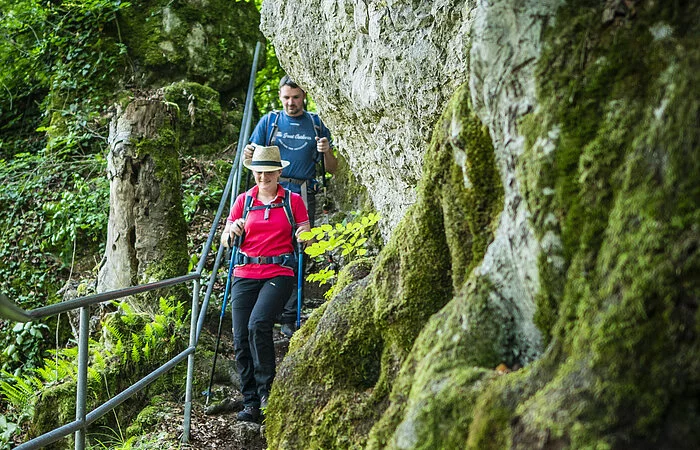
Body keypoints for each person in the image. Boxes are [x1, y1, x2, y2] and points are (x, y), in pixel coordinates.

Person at [220, 145, 310, 422]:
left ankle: (267, 393)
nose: (262, 177)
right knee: (240, 338)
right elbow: (225, 238)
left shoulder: (292, 201)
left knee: (258, 324)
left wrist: (304, 234)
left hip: (279, 272)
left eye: (268, 172)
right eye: (258, 172)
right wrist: (231, 231)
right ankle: (250, 402)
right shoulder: (244, 201)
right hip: (244, 273)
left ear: (279, 172)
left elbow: (306, 230)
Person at [244, 75, 337, 336]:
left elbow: (332, 169)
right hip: (270, 191)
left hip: (303, 192)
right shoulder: (270, 122)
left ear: (304, 96)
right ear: (280, 96)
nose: (291, 103)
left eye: (296, 97)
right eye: (286, 97)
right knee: (266, 245)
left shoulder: (317, 124)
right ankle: (265, 309)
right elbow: (250, 161)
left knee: (298, 250)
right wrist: (247, 155)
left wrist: (326, 150)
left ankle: (287, 316)